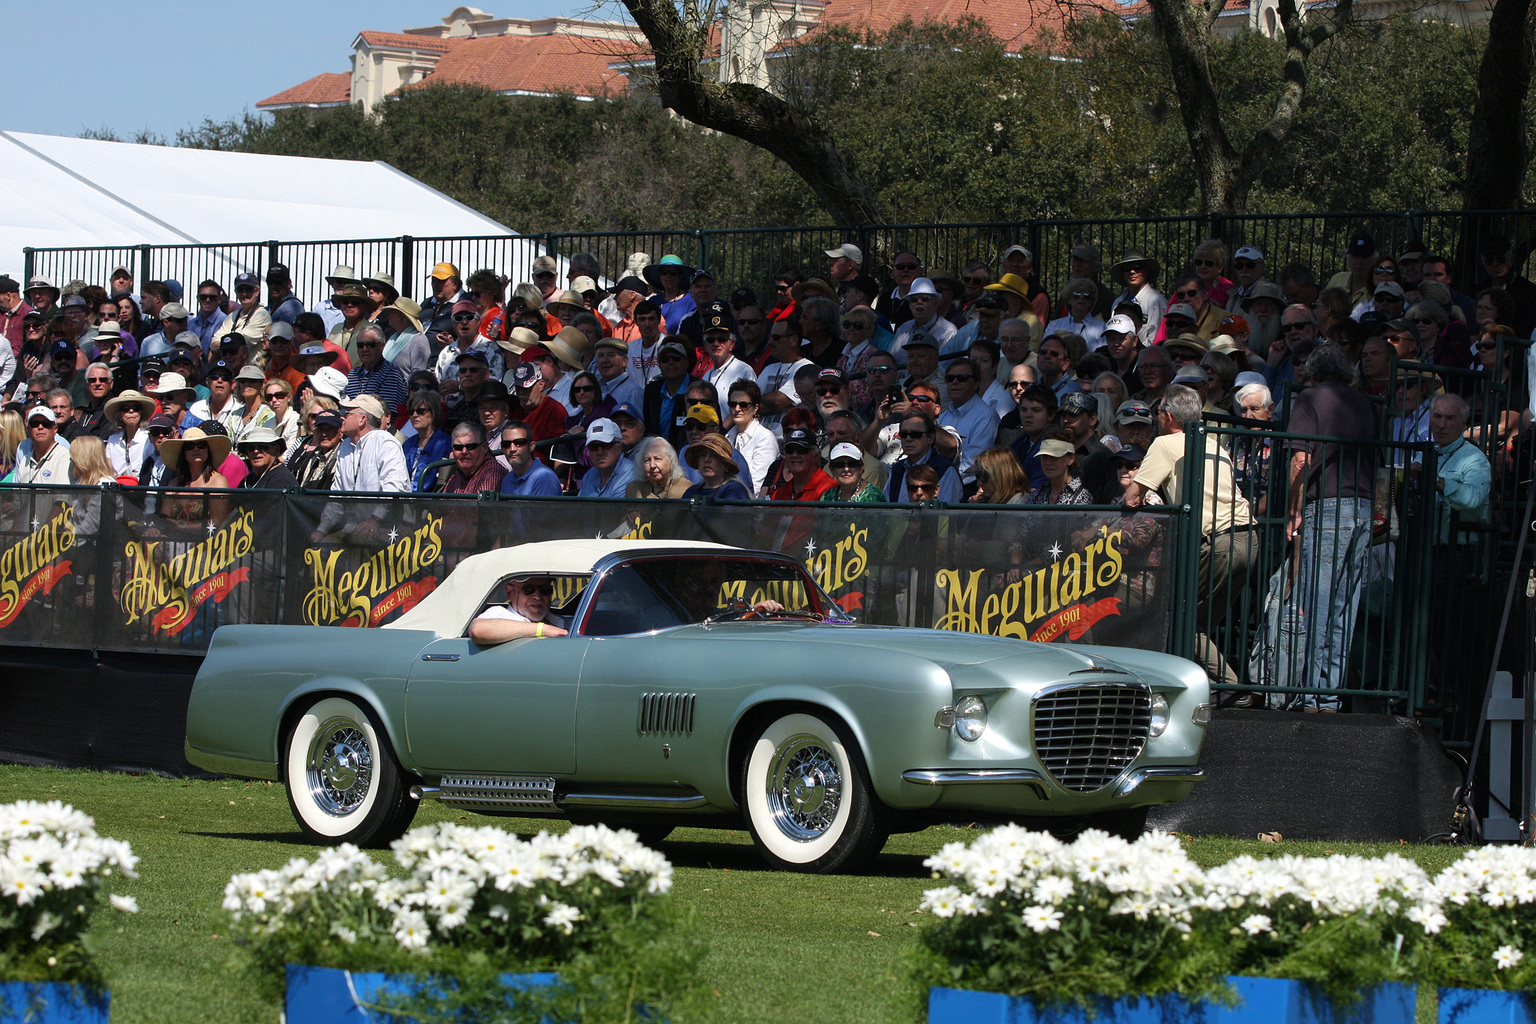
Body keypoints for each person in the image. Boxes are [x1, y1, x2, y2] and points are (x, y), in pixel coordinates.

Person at [1263, 344, 1378, 712]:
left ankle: (1309, 695)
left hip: (1326, 507)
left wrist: (1295, 509)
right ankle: (1327, 694)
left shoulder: (1310, 397)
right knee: (1345, 604)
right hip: (1362, 506)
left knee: (1317, 603)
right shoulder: (1364, 402)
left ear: (1313, 370)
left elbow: (1300, 459)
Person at [1125, 385, 1255, 693]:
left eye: (1157, 413)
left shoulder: (1166, 443)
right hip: (1249, 540)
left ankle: (1230, 687)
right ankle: (1207, 688)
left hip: (1220, 543)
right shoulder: (1215, 445)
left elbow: (1131, 499)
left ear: (1168, 416)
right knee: (1197, 622)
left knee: (1178, 618)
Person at [313, 395, 410, 543]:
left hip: (391, 527)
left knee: (358, 542)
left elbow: (394, 489)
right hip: (355, 527)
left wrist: (374, 520)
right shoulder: (345, 446)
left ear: (362, 419)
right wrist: (321, 529)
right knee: (321, 548)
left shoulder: (385, 442)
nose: (342, 418)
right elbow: (337, 496)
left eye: (348, 414)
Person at [157, 427, 232, 532]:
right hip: (174, 541)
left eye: (201, 445)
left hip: (206, 543)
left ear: (208, 450)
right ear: (183, 453)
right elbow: (164, 516)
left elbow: (217, 521)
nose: (196, 449)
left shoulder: (218, 481)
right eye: (189, 446)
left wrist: (183, 527)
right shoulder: (175, 483)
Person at [469, 575, 570, 644]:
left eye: (545, 590)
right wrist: (543, 629)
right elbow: (478, 630)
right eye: (528, 590)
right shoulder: (500, 614)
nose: (538, 597)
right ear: (509, 592)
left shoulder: (562, 622)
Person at [724, 380, 778, 497]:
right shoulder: (727, 437)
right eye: (733, 404)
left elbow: (757, 485)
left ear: (755, 408)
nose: (737, 409)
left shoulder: (765, 438)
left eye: (743, 405)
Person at [499, 420, 563, 497]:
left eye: (519, 443)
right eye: (506, 444)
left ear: (531, 446)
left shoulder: (544, 478)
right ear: (502, 449)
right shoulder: (507, 480)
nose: (512, 449)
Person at [103, 389, 156, 481]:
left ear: (141, 412)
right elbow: (109, 469)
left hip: (142, 488)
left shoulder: (149, 438)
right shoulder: (113, 440)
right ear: (120, 414)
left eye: (136, 408)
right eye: (125, 409)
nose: (131, 411)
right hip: (117, 487)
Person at [1025, 434, 1092, 505]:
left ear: (1071, 459)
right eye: (1044, 457)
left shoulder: (1082, 497)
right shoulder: (1036, 495)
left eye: (1055, 457)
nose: (1048, 462)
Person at [576, 418, 636, 497]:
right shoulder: (589, 475)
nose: (600, 452)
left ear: (620, 447)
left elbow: (614, 508)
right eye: (593, 447)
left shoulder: (631, 473)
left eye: (606, 446)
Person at [682, 431, 752, 500]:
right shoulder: (691, 492)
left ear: (726, 464)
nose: (707, 459)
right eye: (703, 455)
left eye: (714, 455)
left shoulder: (734, 490)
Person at [626, 436, 692, 499]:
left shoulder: (686, 489)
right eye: (647, 460)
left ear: (671, 462)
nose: (652, 465)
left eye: (658, 459)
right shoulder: (634, 489)